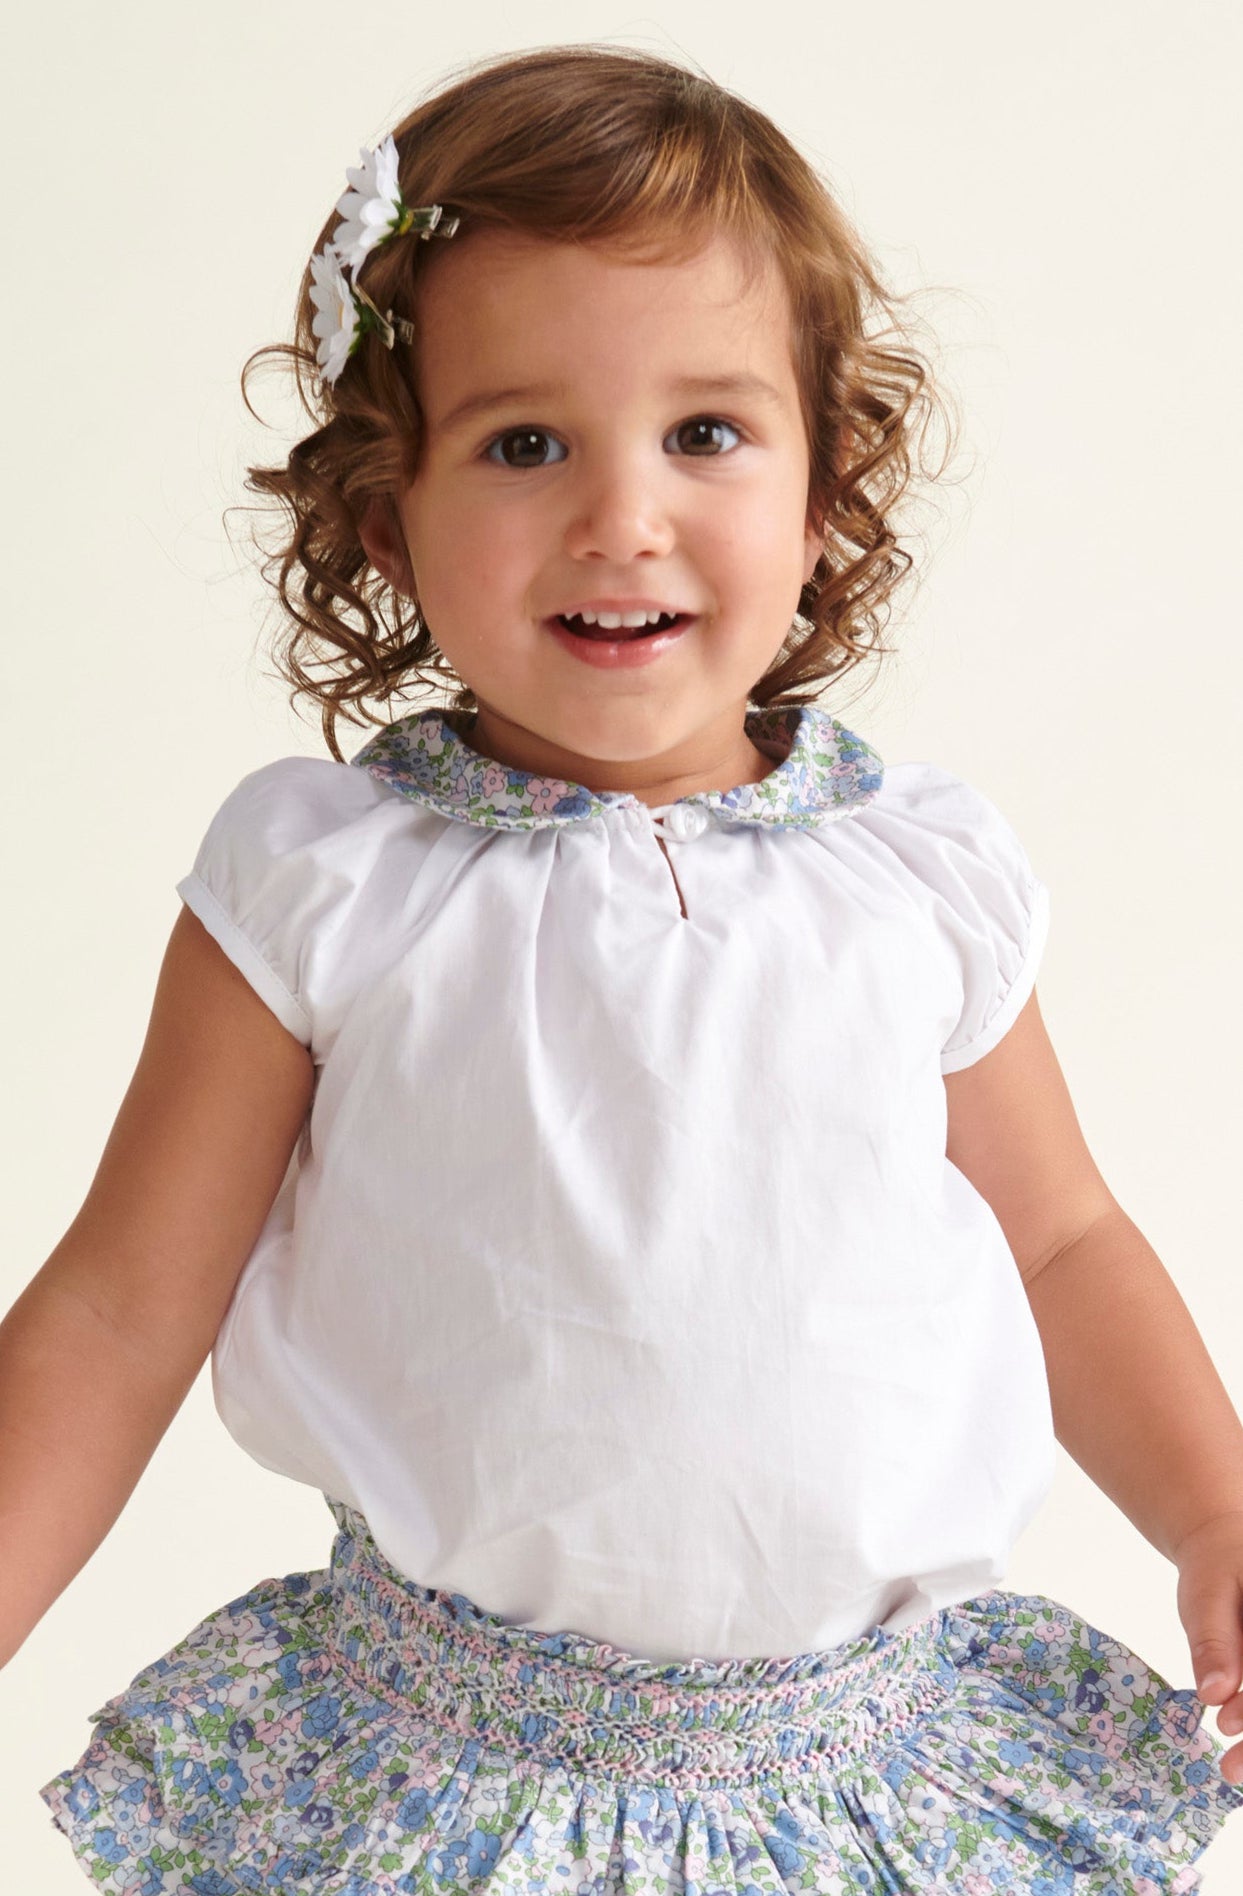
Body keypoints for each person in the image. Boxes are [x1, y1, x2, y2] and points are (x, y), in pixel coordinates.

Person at [10, 39, 1243, 1894]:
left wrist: (1217, 1513)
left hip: (863, 1778)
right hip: (449, 1778)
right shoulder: (326, 887)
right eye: (523, 444)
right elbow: (118, 1305)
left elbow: (1065, 1242)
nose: (621, 516)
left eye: (707, 433)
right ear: (384, 516)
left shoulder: (917, 878)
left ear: (826, 490)